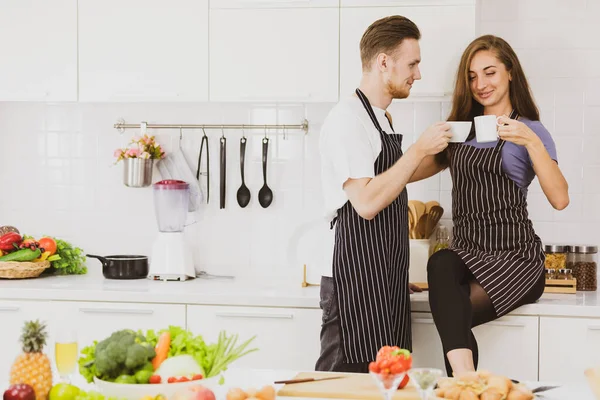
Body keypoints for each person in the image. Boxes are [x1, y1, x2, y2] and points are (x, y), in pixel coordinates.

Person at [415, 34, 569, 377]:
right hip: (468, 254)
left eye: (490, 73)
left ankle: (462, 385)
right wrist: (415, 147)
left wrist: (529, 141)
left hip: (515, 259)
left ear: (510, 72)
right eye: (472, 77)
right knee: (441, 263)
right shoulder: (462, 130)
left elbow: (560, 198)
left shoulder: (531, 130)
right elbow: (407, 173)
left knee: (451, 317)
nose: (480, 84)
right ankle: (470, 383)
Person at [315, 15, 453, 373]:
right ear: (383, 62)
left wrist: (447, 153)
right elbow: (366, 202)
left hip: (382, 276)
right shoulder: (348, 119)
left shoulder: (381, 118)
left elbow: (395, 178)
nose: (417, 74)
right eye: (413, 63)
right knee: (343, 389)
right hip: (353, 282)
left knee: (386, 383)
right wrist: (418, 148)